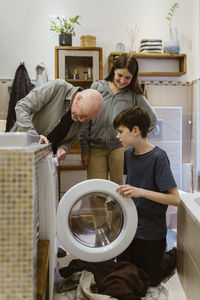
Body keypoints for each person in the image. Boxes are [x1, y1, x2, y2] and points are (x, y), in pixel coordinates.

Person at [78, 53, 158, 236]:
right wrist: (84, 148)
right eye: (119, 75)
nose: (123, 80)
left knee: (117, 192)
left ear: (133, 78)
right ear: (113, 70)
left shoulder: (134, 96)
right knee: (96, 191)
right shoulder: (97, 87)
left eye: (128, 78)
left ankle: (115, 232)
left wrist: (137, 140)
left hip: (119, 149)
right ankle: (100, 231)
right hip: (95, 148)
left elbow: (152, 120)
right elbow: (85, 120)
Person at [113, 106, 180, 286]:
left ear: (135, 130)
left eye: (120, 131)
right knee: (125, 275)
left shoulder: (158, 157)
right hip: (130, 228)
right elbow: (133, 184)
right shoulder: (128, 154)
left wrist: (140, 191)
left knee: (150, 280)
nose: (118, 136)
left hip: (151, 232)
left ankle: (174, 252)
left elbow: (175, 199)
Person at [10, 79, 103, 160]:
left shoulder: (83, 115)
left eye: (87, 118)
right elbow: (22, 106)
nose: (82, 120)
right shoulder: (58, 87)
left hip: (42, 159)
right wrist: (34, 136)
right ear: (78, 98)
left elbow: (71, 139)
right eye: (83, 115)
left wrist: (63, 148)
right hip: (18, 150)